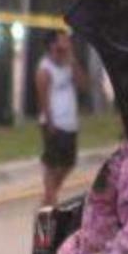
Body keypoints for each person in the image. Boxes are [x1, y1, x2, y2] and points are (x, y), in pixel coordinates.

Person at [35, 30, 87, 206]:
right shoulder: (45, 69)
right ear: (53, 45)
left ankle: (49, 196)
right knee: (53, 164)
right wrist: (49, 122)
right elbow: (43, 98)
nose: (67, 43)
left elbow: (83, 84)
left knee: (68, 163)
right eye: (63, 41)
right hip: (54, 122)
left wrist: (72, 60)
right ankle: (50, 200)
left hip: (70, 122)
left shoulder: (68, 64)